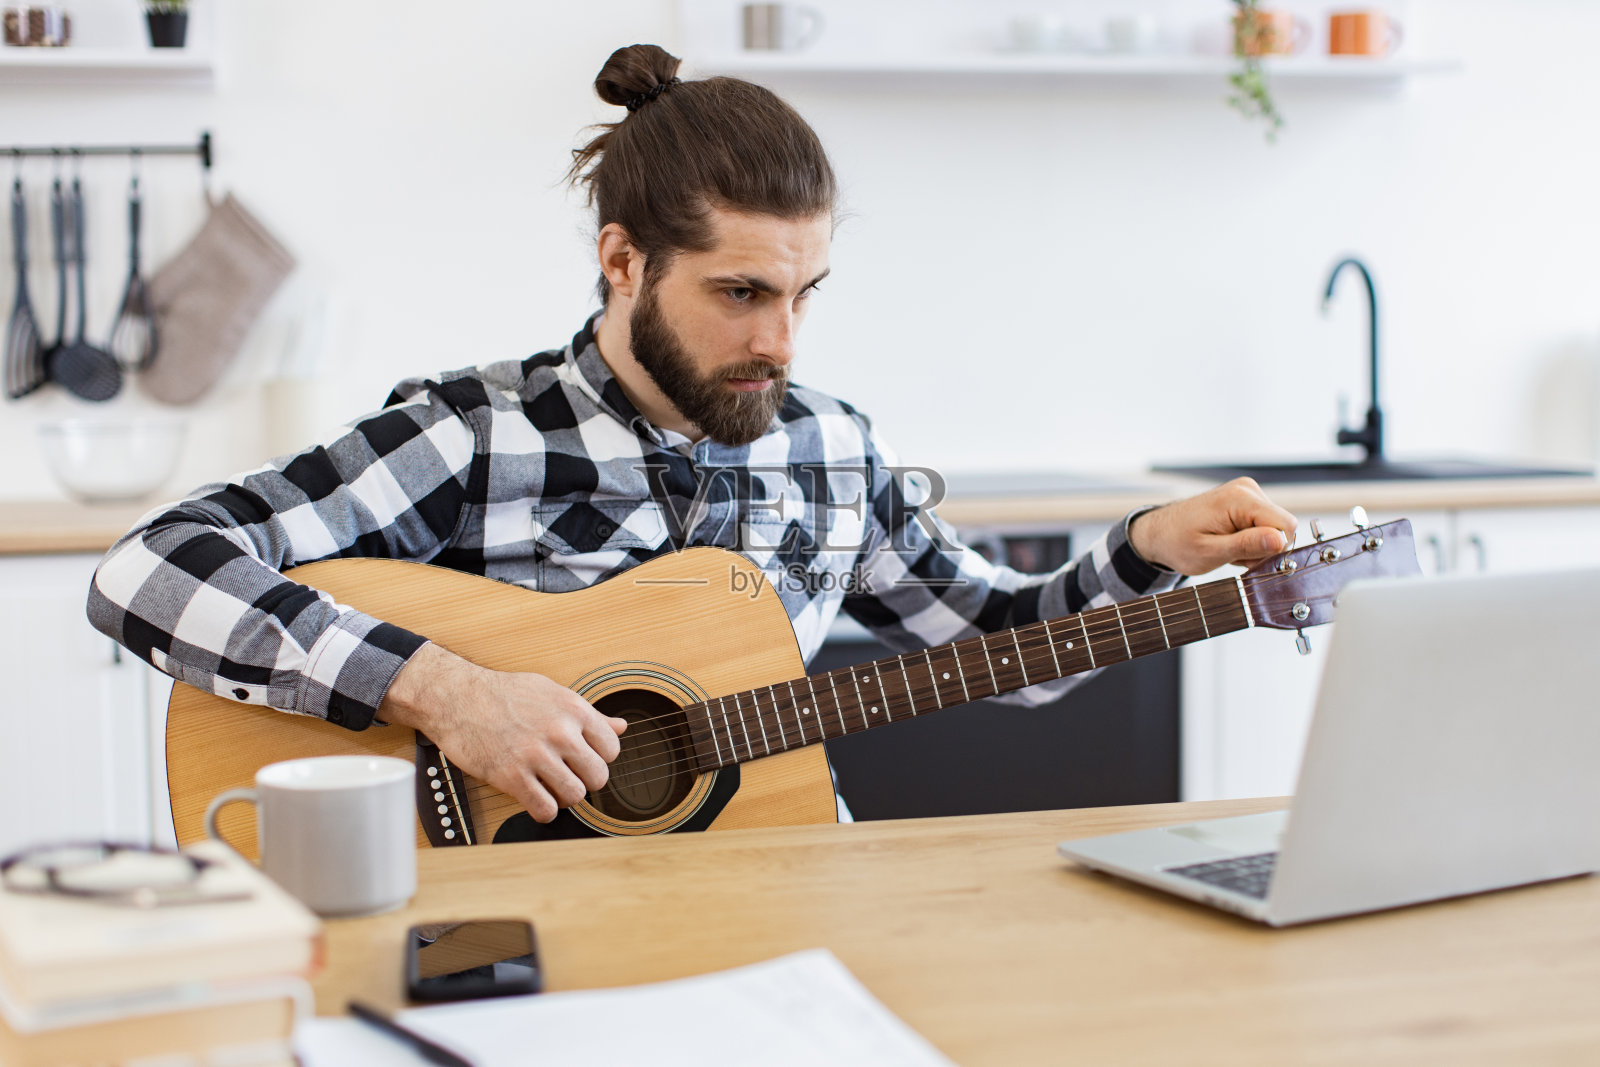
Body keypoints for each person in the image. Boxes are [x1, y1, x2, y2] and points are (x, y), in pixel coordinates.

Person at [88, 45, 1296, 828]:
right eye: (740, 293)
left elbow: (1006, 653)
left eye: (805, 292)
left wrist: (1147, 547)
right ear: (623, 260)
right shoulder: (475, 435)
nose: (782, 341)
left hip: (781, 892)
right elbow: (150, 568)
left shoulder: (830, 451)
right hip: (516, 920)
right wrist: (446, 692)